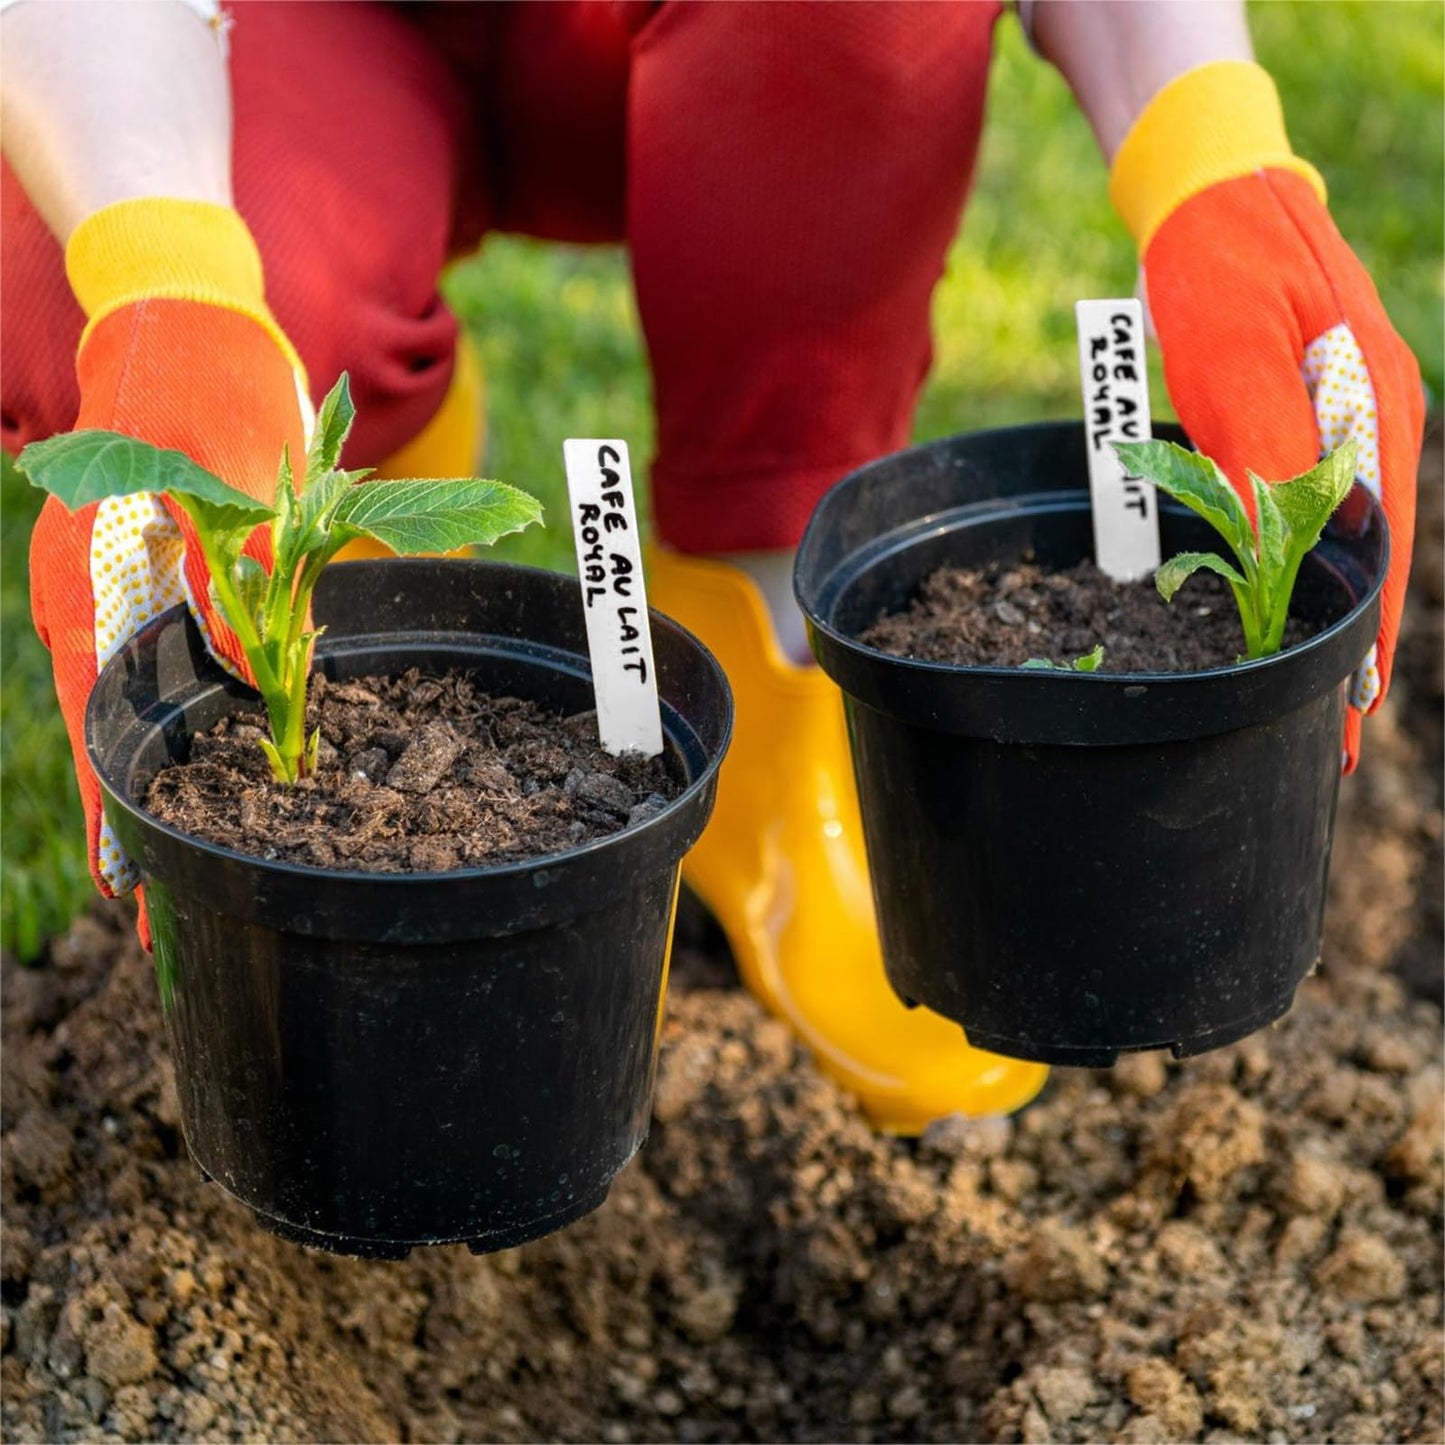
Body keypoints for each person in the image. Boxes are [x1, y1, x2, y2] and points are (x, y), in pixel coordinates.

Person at [2, 1, 1422, 1133]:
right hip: (276, 38)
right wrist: (162, 272)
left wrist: (1212, 158)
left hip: (721, 53)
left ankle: (755, 614)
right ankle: (357, 436)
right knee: (50, 252)